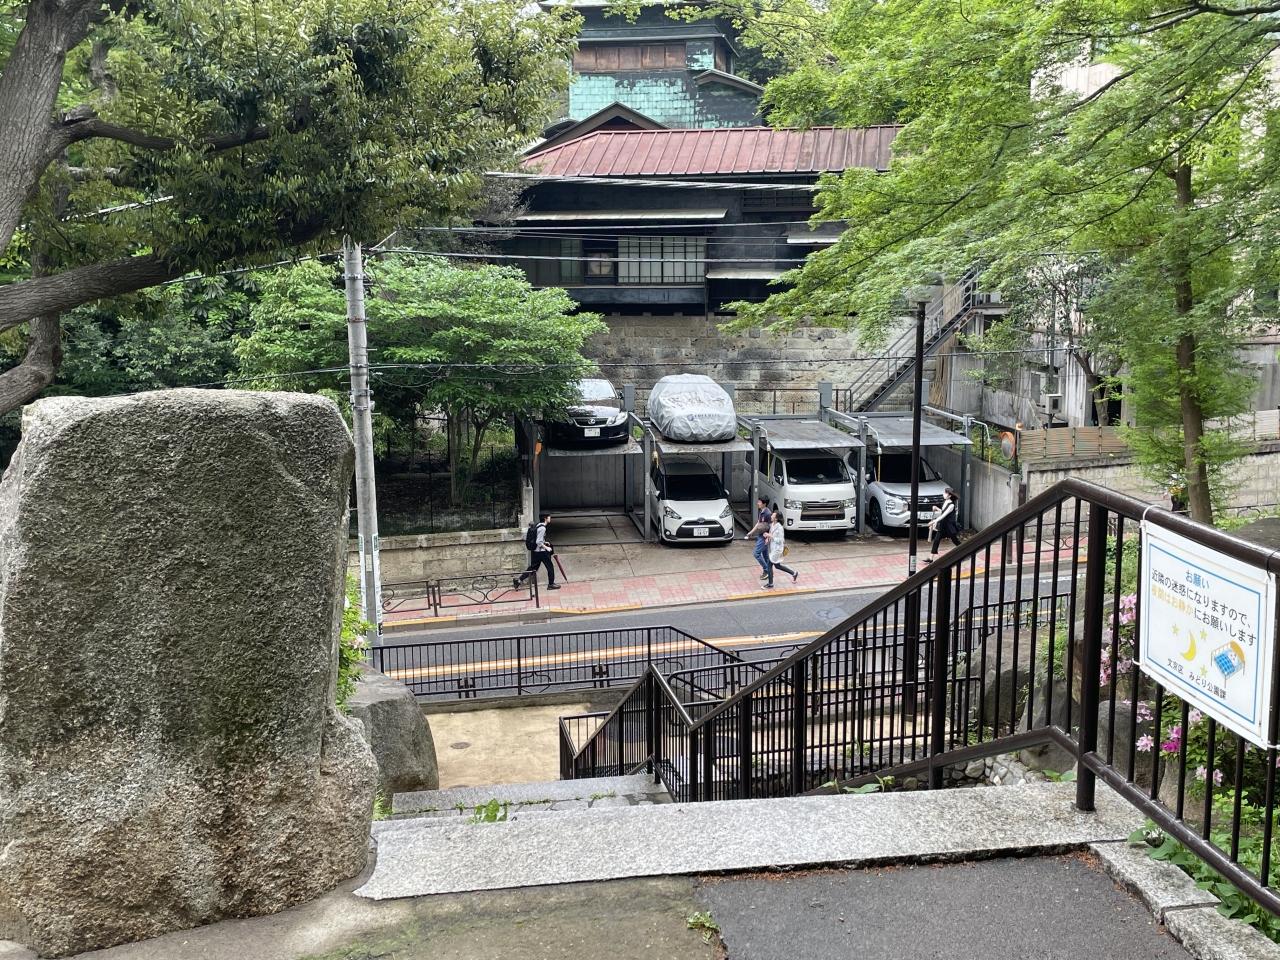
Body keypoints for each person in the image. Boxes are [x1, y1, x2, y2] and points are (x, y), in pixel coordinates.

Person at [514, 512, 559, 590]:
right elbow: (538, 542)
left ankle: (518, 580)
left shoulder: (538, 525)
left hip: (535, 552)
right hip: (542, 552)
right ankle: (551, 584)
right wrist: (546, 547)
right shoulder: (543, 528)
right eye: (549, 517)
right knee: (550, 567)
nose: (550, 518)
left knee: (533, 568)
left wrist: (544, 542)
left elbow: (537, 538)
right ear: (545, 518)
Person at [923, 488, 960, 564]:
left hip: (949, 526)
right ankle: (930, 558)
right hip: (943, 525)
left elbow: (944, 515)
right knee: (936, 540)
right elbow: (943, 512)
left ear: (949, 495)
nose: (944, 494)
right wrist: (937, 508)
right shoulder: (945, 502)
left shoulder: (951, 505)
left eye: (945, 493)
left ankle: (965, 550)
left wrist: (933, 521)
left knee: (955, 541)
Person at [764, 510, 799, 588]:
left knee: (769, 565)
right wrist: (767, 538)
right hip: (772, 548)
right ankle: (794, 573)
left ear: (776, 518)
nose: (771, 516)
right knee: (777, 566)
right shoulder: (772, 525)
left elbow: (780, 540)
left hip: (777, 550)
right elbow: (771, 534)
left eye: (773, 515)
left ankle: (770, 583)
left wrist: (770, 536)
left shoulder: (779, 528)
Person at [743, 496, 773, 581]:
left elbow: (772, 526)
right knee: (765, 556)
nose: (758, 503)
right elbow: (758, 523)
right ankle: (769, 572)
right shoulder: (762, 511)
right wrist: (751, 532)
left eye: (759, 502)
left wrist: (768, 537)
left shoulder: (768, 513)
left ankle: (767, 570)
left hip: (764, 537)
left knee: (756, 554)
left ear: (764, 503)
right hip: (761, 535)